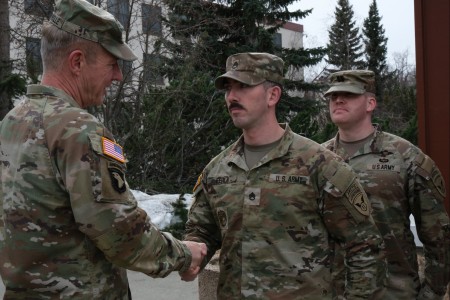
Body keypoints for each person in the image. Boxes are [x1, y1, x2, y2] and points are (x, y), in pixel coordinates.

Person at [0, 0, 206, 298]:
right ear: (77, 62)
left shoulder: (11, 123)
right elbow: (123, 235)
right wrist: (184, 255)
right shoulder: (78, 129)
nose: (118, 76)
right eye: (112, 64)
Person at [181, 52, 386, 299]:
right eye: (228, 89)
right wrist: (190, 256)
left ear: (273, 95)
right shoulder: (218, 169)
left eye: (243, 86)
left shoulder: (319, 164)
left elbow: (365, 246)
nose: (232, 97)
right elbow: (202, 231)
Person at [322, 69, 450, 299]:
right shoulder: (316, 158)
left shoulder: (405, 157)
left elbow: (437, 234)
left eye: (348, 95)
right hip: (332, 291)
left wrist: (433, 291)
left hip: (391, 291)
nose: (338, 100)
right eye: (333, 96)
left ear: (370, 103)